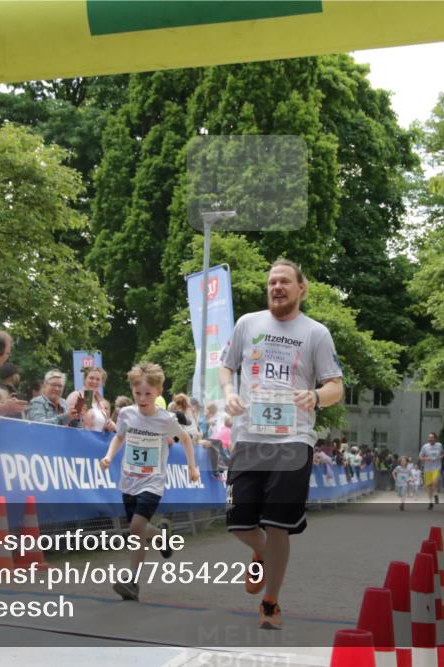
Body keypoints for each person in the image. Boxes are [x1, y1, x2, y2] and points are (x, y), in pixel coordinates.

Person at [219, 258, 343, 630]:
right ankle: (259, 552)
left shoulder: (316, 333)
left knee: (278, 524)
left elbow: (336, 385)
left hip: (293, 438)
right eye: (272, 282)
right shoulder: (247, 324)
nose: (277, 287)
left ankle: (270, 602)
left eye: (285, 282)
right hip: (249, 437)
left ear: (301, 288)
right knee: (239, 522)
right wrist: (227, 392)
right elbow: (226, 367)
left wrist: (316, 397)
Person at [99, 362, 199, 601]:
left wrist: (192, 467)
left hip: (153, 481)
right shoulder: (126, 414)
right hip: (129, 480)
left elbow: (185, 438)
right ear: (132, 391)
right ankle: (163, 537)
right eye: (138, 393)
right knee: (139, 528)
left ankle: (132, 581)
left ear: (158, 392)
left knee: (135, 529)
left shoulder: (166, 419)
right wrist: (109, 456)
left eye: (148, 394)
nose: (142, 398)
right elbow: (119, 437)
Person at [67, 366, 115, 431]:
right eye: (91, 378)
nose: (94, 381)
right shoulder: (76, 396)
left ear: (102, 383)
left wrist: (111, 426)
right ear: (85, 379)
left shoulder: (103, 403)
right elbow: (68, 422)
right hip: (80, 439)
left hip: (99, 440)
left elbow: (103, 427)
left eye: (98, 379)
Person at [419, 432, 444, 509]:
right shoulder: (425, 447)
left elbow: (443, 454)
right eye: (429, 437)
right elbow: (420, 457)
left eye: (431, 437)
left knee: (435, 481)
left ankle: (436, 495)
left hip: (436, 467)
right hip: (427, 468)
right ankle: (430, 502)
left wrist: (440, 457)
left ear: (435, 438)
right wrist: (426, 458)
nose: (430, 439)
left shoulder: (439, 445)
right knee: (429, 486)